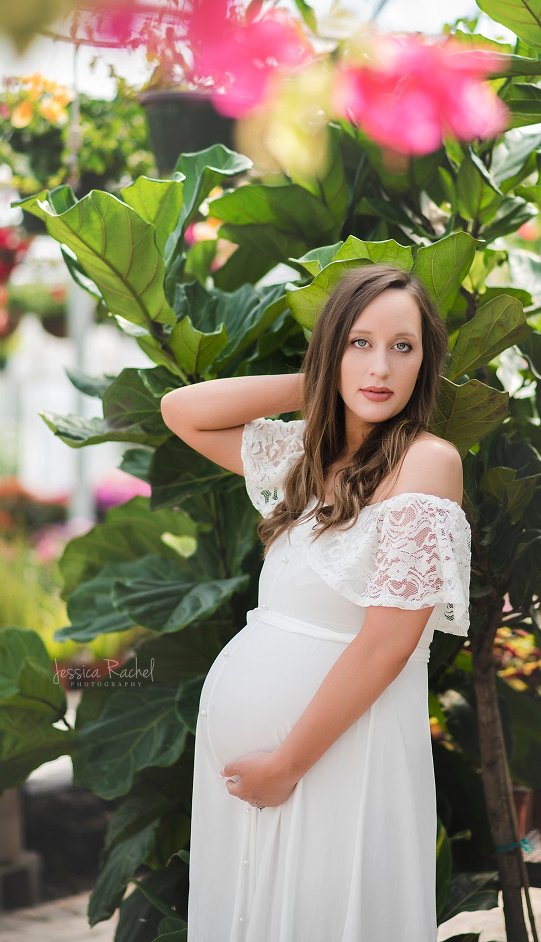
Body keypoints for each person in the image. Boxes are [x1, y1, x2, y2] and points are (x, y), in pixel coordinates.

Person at [160, 263, 472, 942]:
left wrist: (285, 766)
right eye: (360, 343)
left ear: (425, 362)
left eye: (403, 347)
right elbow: (182, 411)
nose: (381, 368)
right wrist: (320, 383)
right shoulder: (306, 454)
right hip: (257, 779)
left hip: (336, 757)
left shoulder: (427, 463)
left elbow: (387, 645)